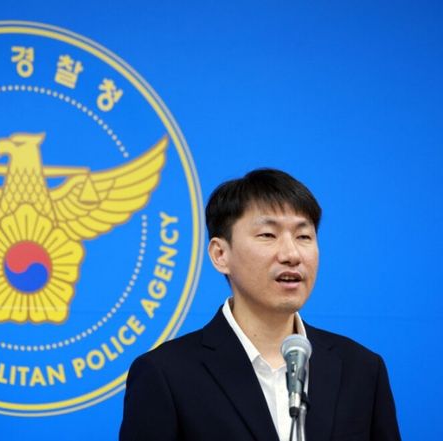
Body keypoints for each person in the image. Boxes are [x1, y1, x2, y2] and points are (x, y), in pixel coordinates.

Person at [119, 168, 401, 441]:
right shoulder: (167, 374)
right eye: (268, 235)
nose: (292, 254)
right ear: (220, 254)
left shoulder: (361, 369)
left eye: (304, 236)